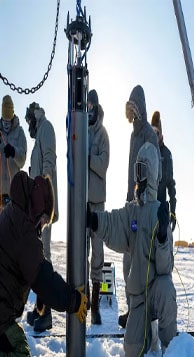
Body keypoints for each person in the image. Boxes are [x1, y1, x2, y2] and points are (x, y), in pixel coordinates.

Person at [0, 171, 88, 357]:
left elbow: (30, 270)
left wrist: (42, 295)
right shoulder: (24, 230)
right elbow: (44, 279)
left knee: (19, 343)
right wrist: (73, 300)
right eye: (44, 219)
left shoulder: (14, 215)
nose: (43, 226)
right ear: (37, 206)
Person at [87, 142, 177, 357]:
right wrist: (94, 220)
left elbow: (166, 268)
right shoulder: (132, 211)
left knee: (166, 288)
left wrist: (163, 237)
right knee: (132, 354)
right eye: (137, 171)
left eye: (143, 171)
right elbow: (114, 223)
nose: (139, 178)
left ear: (153, 173)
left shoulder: (159, 213)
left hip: (157, 291)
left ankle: (170, 352)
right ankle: (148, 333)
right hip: (138, 298)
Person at [119, 85, 160, 328]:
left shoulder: (148, 135)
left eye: (135, 107)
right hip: (130, 203)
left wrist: (148, 199)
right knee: (127, 261)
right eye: (129, 108)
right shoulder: (133, 135)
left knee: (143, 263)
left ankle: (144, 312)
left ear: (141, 108)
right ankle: (131, 309)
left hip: (145, 206)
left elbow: (155, 171)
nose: (132, 112)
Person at [22, 102, 59, 333]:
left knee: (43, 259)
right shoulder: (39, 136)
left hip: (44, 209)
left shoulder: (46, 128)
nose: (28, 127)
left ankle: (48, 314)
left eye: (28, 122)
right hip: (38, 208)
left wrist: (46, 206)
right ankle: (40, 308)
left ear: (32, 117)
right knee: (38, 257)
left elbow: (49, 165)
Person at [0, 95, 27, 230]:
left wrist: (14, 152)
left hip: (14, 198)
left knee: (13, 239)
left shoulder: (20, 133)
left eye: (9, 121)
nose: (7, 125)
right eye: (5, 122)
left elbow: (22, 160)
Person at [86, 89, 110, 325]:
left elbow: (103, 165)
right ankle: (83, 298)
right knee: (81, 252)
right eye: (88, 106)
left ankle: (95, 303)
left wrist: (88, 158)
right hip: (82, 202)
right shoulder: (81, 131)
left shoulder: (103, 135)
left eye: (93, 106)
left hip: (98, 203)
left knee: (98, 254)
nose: (90, 109)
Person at [151, 111, 177, 231]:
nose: (155, 135)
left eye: (157, 132)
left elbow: (170, 185)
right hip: (146, 208)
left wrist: (173, 210)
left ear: (161, 134)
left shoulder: (167, 154)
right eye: (153, 131)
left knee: (161, 246)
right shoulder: (146, 151)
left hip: (161, 209)